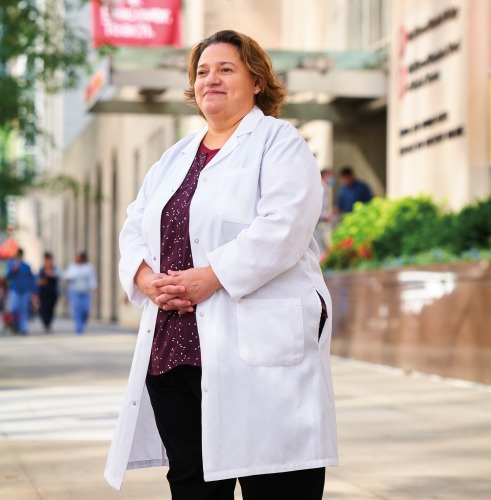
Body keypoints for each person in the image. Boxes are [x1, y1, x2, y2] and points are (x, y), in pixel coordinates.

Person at [105, 30, 338, 500]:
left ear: (256, 81)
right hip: (173, 353)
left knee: (277, 484)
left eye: (226, 69)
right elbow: (134, 225)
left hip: (254, 348)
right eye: (202, 71)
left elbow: (284, 227)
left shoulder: (279, 142)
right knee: (192, 488)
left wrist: (207, 278)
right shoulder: (173, 159)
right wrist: (148, 280)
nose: (210, 79)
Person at [62, 251, 97, 334]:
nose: (77, 259)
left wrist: (94, 286)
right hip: (74, 291)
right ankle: (78, 326)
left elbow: (92, 279)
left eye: (78, 257)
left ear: (82, 258)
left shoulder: (89, 267)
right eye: (76, 258)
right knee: (76, 308)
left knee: (85, 310)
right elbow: (66, 275)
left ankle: (83, 322)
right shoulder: (72, 267)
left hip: (85, 292)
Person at [5, 248, 36, 334]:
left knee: (24, 310)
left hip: (25, 291)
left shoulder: (26, 266)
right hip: (15, 290)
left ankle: (23, 328)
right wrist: (13, 269)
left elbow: (31, 278)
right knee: (14, 308)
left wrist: (33, 290)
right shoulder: (11, 265)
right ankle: (16, 325)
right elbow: (7, 276)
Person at [314, 168, 336, 255]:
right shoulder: (321, 188)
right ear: (325, 176)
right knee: (320, 246)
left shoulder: (323, 188)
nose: (332, 178)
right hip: (318, 221)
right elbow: (317, 206)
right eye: (330, 176)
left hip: (320, 221)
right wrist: (326, 216)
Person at [37, 252, 59, 333]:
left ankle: (48, 323)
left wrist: (52, 274)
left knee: (50, 309)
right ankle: (45, 323)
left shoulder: (55, 269)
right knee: (43, 309)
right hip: (43, 293)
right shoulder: (42, 270)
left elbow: (58, 277)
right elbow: (39, 281)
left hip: (52, 293)